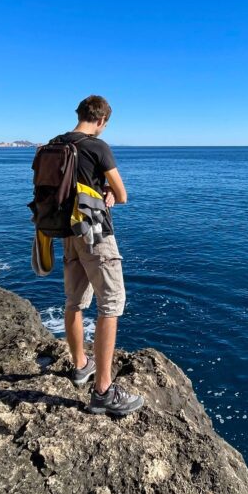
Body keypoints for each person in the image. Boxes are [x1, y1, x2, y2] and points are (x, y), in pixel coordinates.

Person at [54, 95, 143, 416]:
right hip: (94, 232)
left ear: (79, 113)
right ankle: (103, 391)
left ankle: (80, 365)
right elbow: (122, 194)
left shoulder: (56, 144)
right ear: (102, 120)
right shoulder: (97, 146)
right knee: (111, 304)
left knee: (74, 302)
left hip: (67, 232)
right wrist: (108, 192)